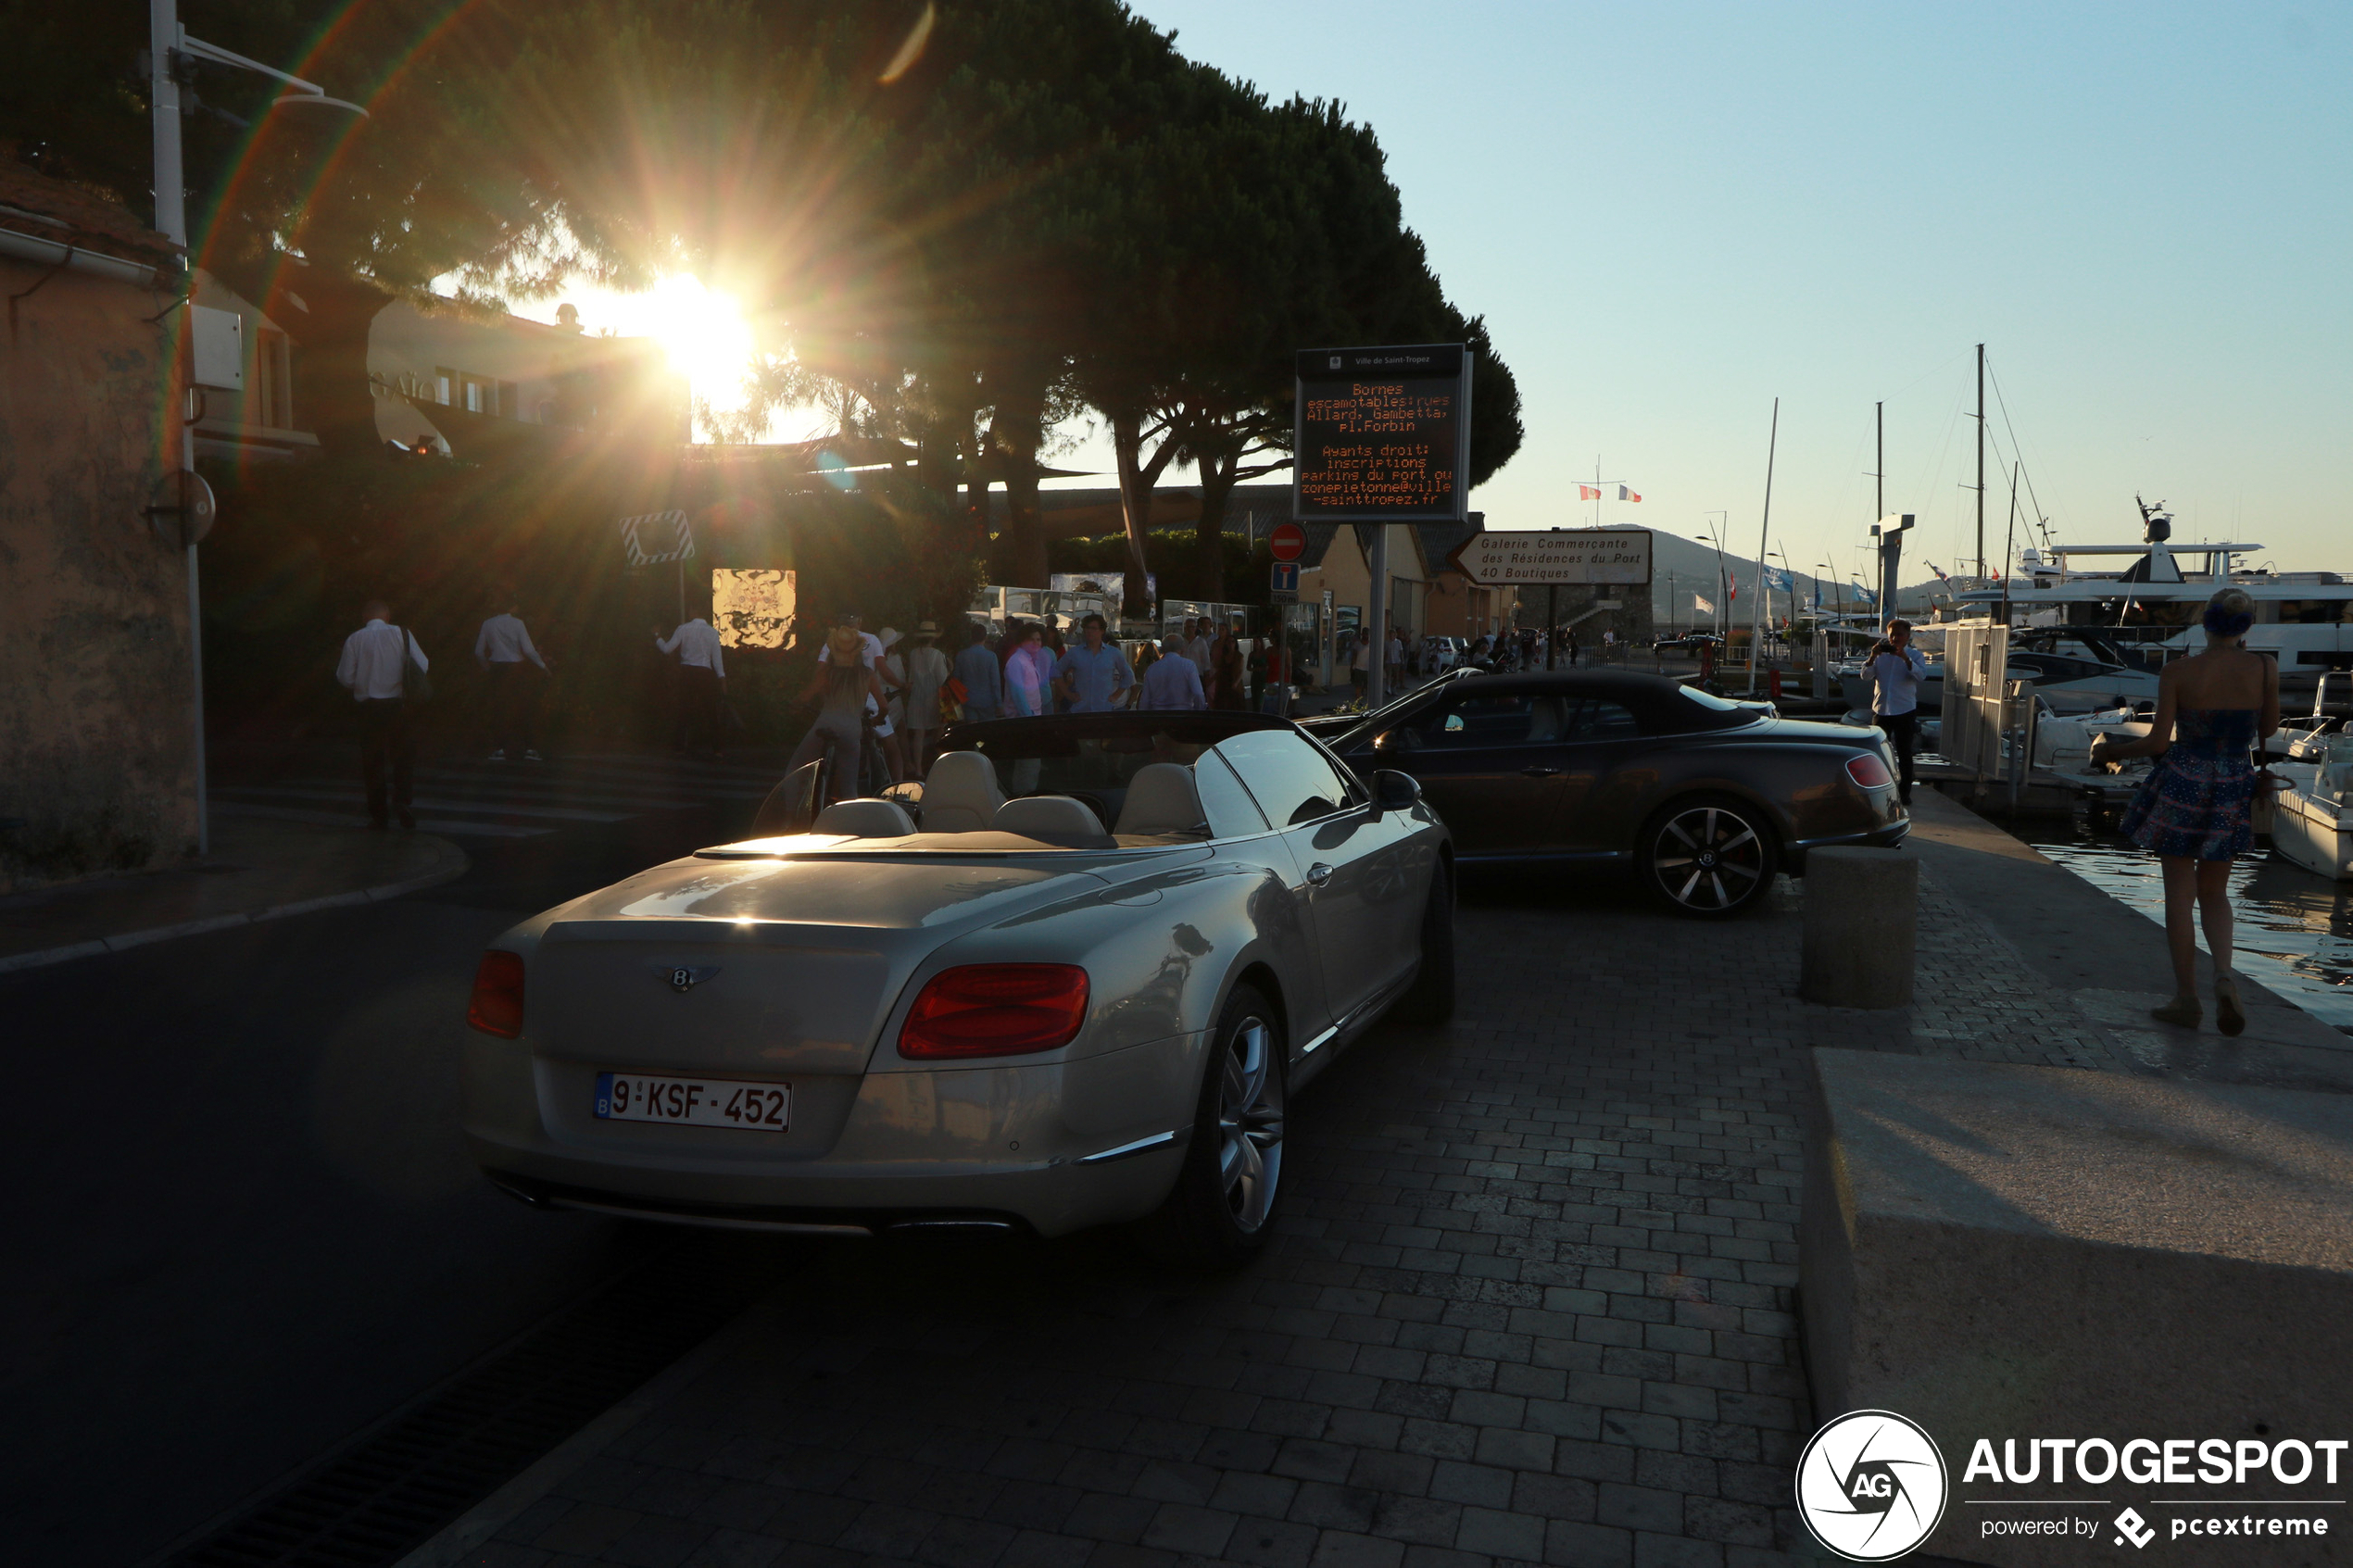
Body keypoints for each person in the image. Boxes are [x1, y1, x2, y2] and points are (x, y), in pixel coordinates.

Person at [2092, 587, 2280, 1034]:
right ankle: (2224, 977)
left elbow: (2157, 744)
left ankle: (2187, 999)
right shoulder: (2265, 667)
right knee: (2215, 892)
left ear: (2205, 623)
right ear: (2246, 627)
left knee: (2180, 895)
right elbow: (2268, 727)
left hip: (2184, 782)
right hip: (2234, 780)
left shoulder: (2178, 671)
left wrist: (2107, 751)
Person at [336, 600, 427, 830]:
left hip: (368, 708)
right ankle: (403, 802)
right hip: (399, 705)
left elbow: (345, 677)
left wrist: (365, 680)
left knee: (373, 762)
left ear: (364, 617)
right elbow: (422, 665)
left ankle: (379, 815)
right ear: (387, 616)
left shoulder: (355, 638)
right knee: (404, 757)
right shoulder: (403, 634)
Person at [787, 625, 891, 806]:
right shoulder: (867, 674)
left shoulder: (827, 672)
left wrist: (794, 705)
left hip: (826, 724)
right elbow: (884, 706)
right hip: (852, 729)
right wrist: (877, 719)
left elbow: (805, 697)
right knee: (849, 787)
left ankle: (790, 817)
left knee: (796, 769)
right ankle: (850, 821)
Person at [473, 590, 549, 762]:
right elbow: (529, 650)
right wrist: (543, 666)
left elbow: (478, 652)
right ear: (513, 607)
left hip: (497, 669)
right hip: (516, 669)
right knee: (524, 707)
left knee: (499, 709)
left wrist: (487, 668)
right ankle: (530, 748)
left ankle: (499, 748)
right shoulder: (518, 624)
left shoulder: (488, 624)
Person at [1868, 619, 1931, 804]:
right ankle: (1879, 790)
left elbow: (1920, 676)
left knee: (1904, 753)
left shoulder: (1914, 655)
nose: (1895, 638)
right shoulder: (1880, 655)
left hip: (1904, 709)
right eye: (1892, 634)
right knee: (1877, 753)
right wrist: (1872, 657)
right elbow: (1865, 675)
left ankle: (1904, 794)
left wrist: (1905, 658)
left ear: (1907, 637)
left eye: (1900, 634)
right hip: (1881, 710)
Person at [653, 608, 727, 757]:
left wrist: (657, 636)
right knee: (711, 712)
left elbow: (667, 649)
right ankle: (717, 749)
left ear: (692, 613)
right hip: (705, 672)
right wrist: (722, 678)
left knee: (684, 710)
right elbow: (717, 659)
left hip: (687, 672)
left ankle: (679, 747)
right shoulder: (712, 633)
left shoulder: (683, 629)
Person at [1053, 613, 1137, 713]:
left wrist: (1116, 695)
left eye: (1093, 628)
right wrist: (1068, 694)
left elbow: (1128, 675)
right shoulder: (1075, 653)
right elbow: (1055, 671)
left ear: (1102, 631)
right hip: (1080, 710)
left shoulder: (1113, 653)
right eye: (1087, 628)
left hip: (1104, 711)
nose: (1089, 631)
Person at [897, 621, 951, 771]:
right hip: (933, 697)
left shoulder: (914, 653)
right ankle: (937, 762)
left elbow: (911, 677)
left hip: (916, 696)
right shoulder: (936, 654)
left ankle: (918, 768)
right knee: (939, 729)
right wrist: (950, 669)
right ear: (933, 638)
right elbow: (942, 678)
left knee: (918, 735)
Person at [1139, 633, 1207, 709]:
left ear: (1163, 649)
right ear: (1182, 648)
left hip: (1158, 715)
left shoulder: (1152, 668)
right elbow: (1198, 694)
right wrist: (1199, 710)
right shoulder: (1189, 666)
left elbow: (1145, 699)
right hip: (1183, 714)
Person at [952, 621, 1002, 720]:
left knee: (971, 731)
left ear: (971, 637)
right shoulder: (991, 657)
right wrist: (999, 703)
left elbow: (956, 678)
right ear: (985, 637)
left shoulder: (961, 655)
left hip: (968, 699)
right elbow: (995, 683)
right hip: (987, 701)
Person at [1004, 622, 1051, 718]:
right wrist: (1029, 717)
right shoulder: (1016, 661)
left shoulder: (1029, 660)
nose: (1035, 643)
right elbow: (1018, 695)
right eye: (1031, 639)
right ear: (1022, 641)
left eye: (1038, 640)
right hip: (1021, 719)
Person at [1212, 621, 1247, 710]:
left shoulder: (1239, 656)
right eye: (1229, 642)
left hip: (1234, 684)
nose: (1230, 644)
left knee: (1236, 705)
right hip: (1224, 683)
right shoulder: (1224, 656)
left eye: (1232, 642)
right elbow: (1220, 669)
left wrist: (1235, 683)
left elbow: (1240, 671)